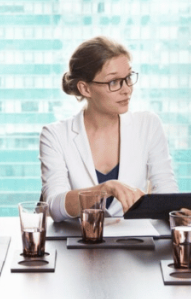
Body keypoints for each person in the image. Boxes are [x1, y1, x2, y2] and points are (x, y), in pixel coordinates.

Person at [40, 36, 178, 222]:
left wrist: (179, 211)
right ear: (85, 89)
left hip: (136, 243)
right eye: (114, 82)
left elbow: (166, 190)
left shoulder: (148, 124)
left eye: (128, 77)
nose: (127, 89)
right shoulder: (55, 135)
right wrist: (105, 189)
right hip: (78, 244)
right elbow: (54, 206)